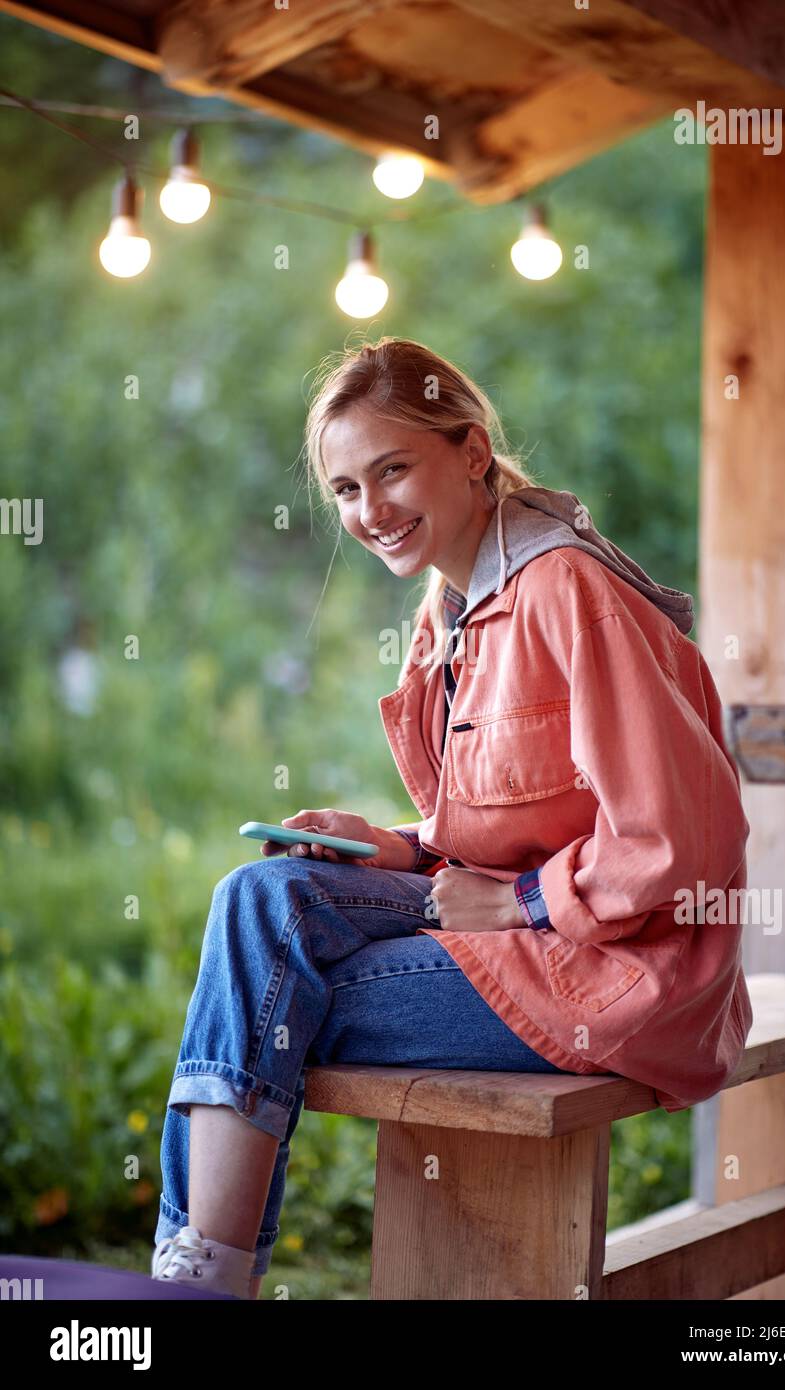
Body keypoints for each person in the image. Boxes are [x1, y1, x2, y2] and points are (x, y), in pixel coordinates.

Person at [151, 336, 752, 1299]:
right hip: (531, 941)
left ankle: (195, 1288)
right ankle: (194, 1277)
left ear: (472, 452)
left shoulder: (567, 593)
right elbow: (517, 815)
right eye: (346, 490)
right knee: (262, 900)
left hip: (623, 973)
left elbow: (688, 845)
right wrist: (397, 846)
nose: (370, 510)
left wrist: (519, 900)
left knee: (266, 1007)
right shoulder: (453, 608)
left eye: (393, 470)